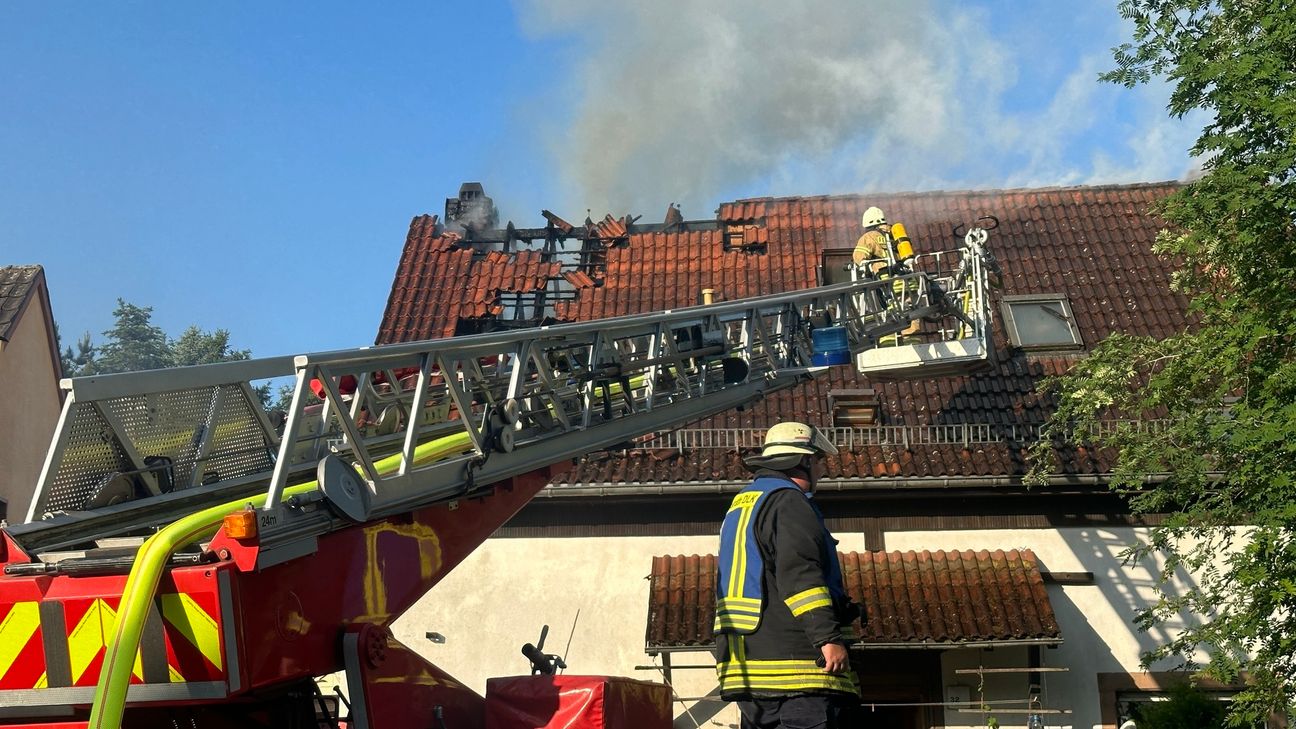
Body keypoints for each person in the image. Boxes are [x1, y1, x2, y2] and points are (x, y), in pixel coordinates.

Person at [714, 422, 862, 729]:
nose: (822, 469)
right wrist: (828, 638)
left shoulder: (743, 503)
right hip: (797, 671)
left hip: (750, 667)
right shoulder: (790, 503)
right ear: (804, 461)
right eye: (818, 460)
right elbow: (800, 575)